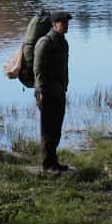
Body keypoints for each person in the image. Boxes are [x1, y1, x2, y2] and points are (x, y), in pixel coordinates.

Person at [33, 10, 72, 172]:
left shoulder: (63, 42)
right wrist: (41, 92)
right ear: (54, 24)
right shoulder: (45, 42)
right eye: (63, 22)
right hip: (47, 92)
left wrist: (65, 86)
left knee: (56, 128)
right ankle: (47, 164)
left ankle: (53, 161)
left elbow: (64, 68)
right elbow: (38, 69)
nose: (67, 25)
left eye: (67, 22)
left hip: (59, 91)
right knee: (47, 129)